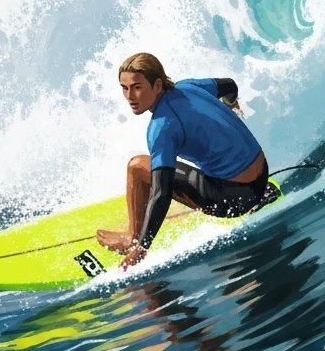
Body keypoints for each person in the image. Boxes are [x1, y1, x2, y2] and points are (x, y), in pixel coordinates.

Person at [96, 52, 273, 270]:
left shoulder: (162, 126)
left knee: (137, 167)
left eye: (137, 87)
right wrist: (232, 104)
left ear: (157, 85)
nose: (130, 96)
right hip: (262, 174)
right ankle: (260, 193)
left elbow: (161, 192)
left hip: (234, 199)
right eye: (124, 88)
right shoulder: (188, 86)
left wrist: (142, 247)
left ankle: (131, 237)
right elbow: (229, 85)